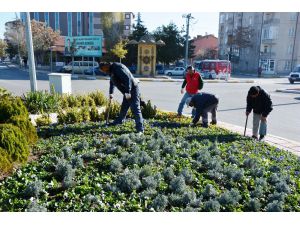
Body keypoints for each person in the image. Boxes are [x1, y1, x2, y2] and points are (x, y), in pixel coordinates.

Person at [108, 62, 144, 133]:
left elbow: (127, 79)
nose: (103, 71)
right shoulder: (111, 70)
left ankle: (140, 129)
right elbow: (112, 82)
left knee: (135, 108)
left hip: (132, 89)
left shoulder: (118, 68)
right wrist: (111, 93)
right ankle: (119, 121)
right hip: (127, 91)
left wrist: (128, 92)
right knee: (124, 107)